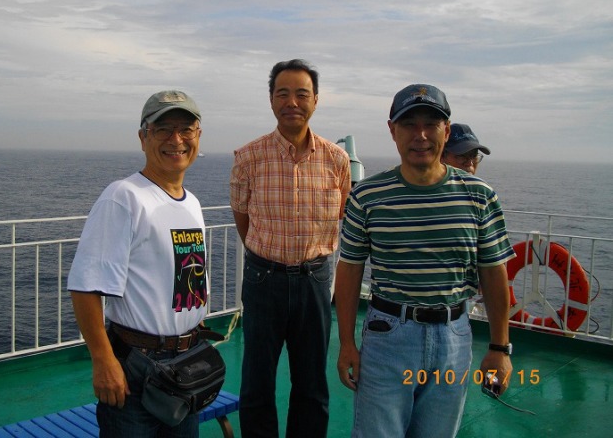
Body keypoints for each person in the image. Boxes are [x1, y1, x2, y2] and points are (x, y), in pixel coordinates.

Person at [334, 84, 515, 438]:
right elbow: (350, 271)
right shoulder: (367, 197)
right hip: (388, 337)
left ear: (446, 130)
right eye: (409, 124)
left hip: (454, 336)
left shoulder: (479, 196)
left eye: (431, 124)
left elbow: (494, 273)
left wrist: (499, 348)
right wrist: (346, 344)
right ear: (392, 131)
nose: (420, 135)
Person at [68, 90, 208, 437]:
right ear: (143, 137)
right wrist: (103, 360)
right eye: (163, 129)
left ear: (198, 135)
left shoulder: (192, 203)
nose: (176, 139)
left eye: (185, 129)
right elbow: (85, 286)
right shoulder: (124, 197)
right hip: (137, 367)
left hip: (186, 364)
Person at [230, 59, 351, 437]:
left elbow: (341, 212)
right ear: (271, 100)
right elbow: (242, 218)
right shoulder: (248, 157)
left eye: (302, 94)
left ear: (316, 100)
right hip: (263, 279)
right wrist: (267, 256)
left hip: (315, 279)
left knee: (312, 384)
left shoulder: (336, 160)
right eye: (283, 93)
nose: (292, 102)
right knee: (256, 383)